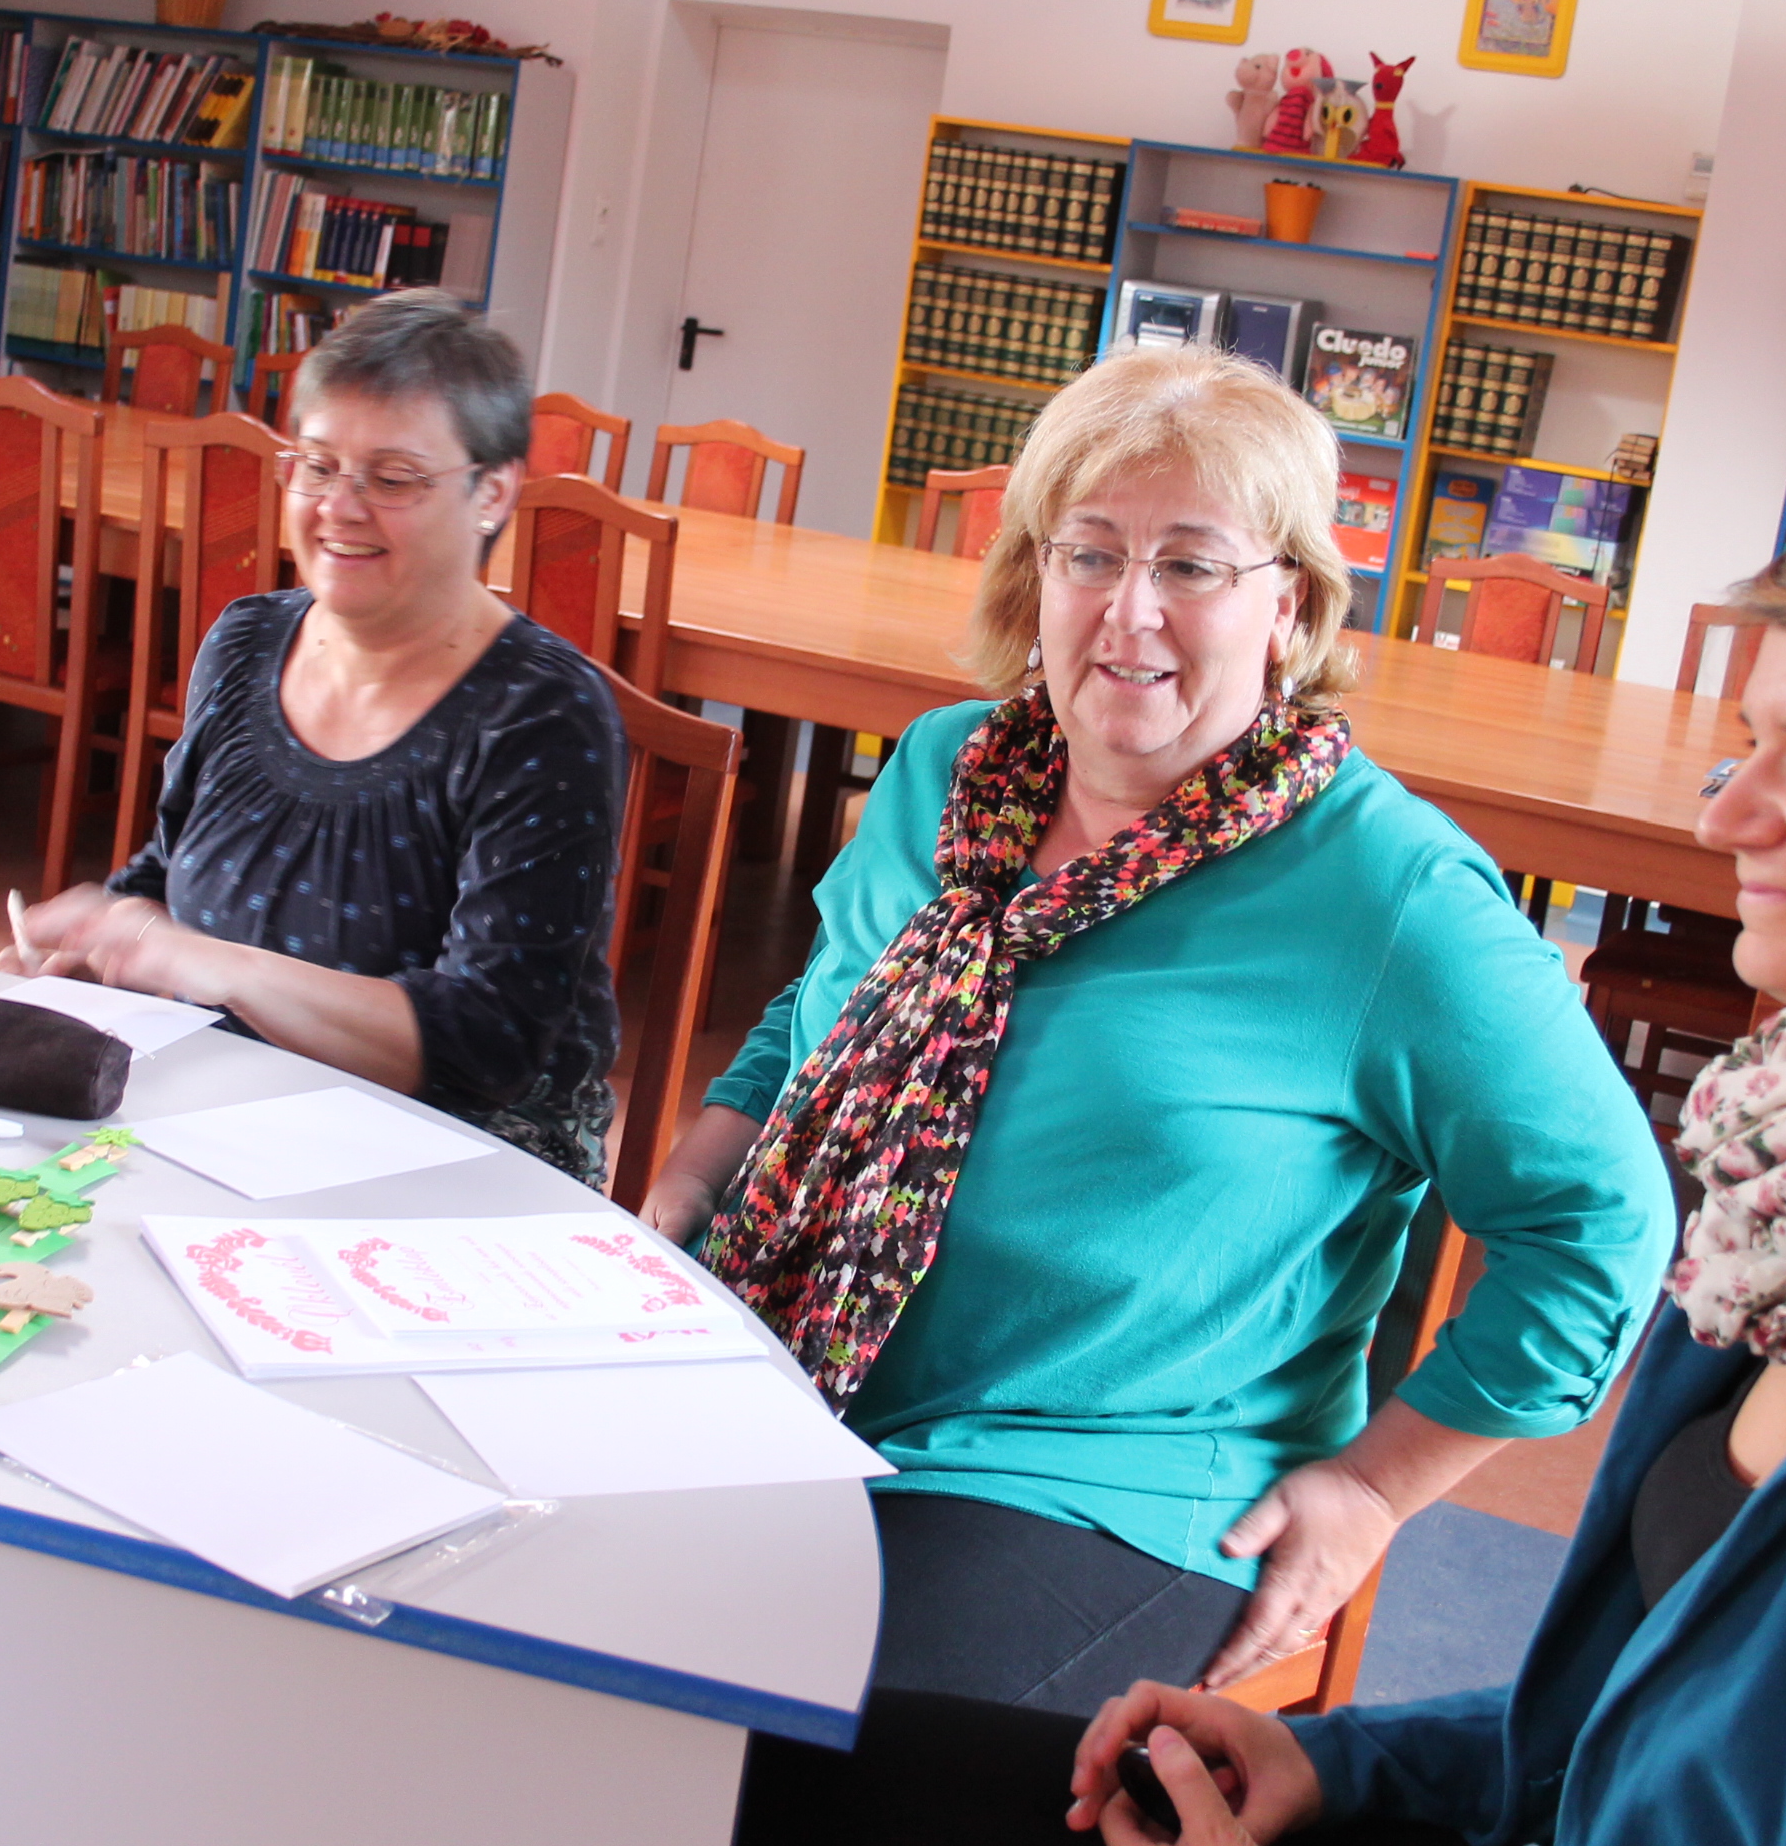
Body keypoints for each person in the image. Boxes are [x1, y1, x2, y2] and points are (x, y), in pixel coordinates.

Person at [739, 475, 1786, 1846]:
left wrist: (1375, 1488)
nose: (1726, 816)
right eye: (1750, 742)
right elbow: (1609, 1732)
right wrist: (1340, 1769)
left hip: (1108, 1488)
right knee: (729, 1754)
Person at [648, 343, 1674, 1729]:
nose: (1129, 609)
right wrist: (690, 1183)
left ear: (1287, 602)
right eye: (1090, 554)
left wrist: (1374, 1490)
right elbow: (818, 1007)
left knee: (776, 1745)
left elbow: (1599, 1225)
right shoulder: (946, 767)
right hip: (774, 1375)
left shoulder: (1390, 895)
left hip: (1101, 1484)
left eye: (1191, 564)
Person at [1, 290, 626, 1184]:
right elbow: (171, 876)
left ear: (492, 492)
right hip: (224, 1113)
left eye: (393, 478)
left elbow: (486, 1044)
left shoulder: (542, 714)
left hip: (459, 1162)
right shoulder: (246, 640)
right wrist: (98, 941)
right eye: (318, 465)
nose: (341, 505)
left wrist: (207, 964)